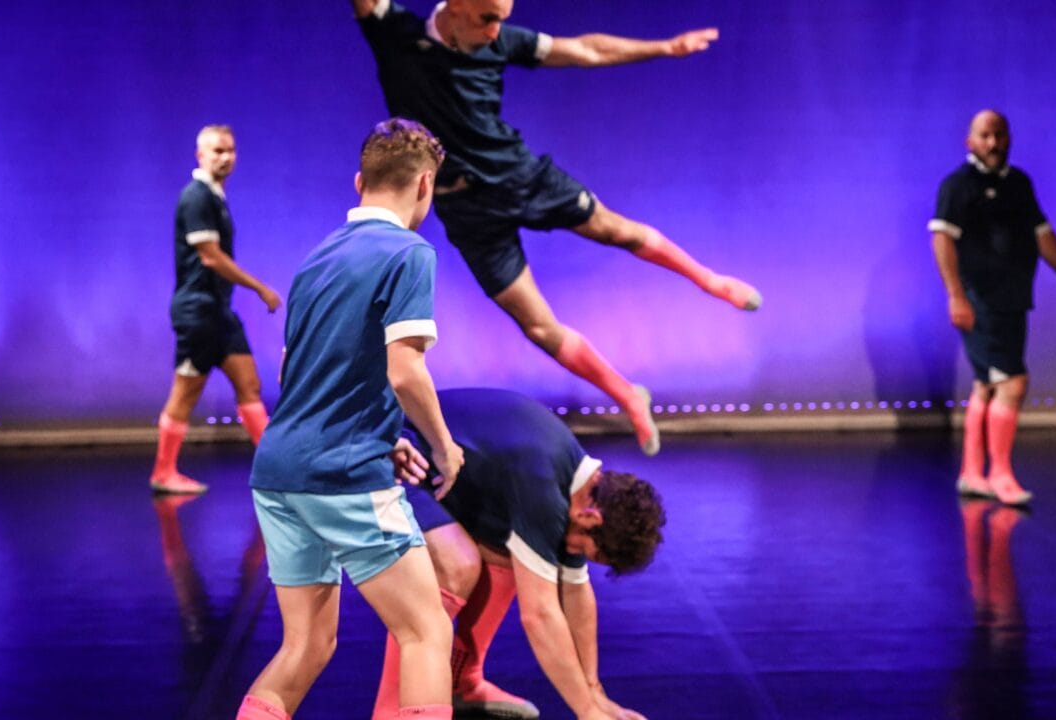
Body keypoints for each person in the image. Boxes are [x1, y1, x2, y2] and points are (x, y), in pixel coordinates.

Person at [351, 0, 763, 457]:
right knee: (539, 326)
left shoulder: (504, 41)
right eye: (487, 18)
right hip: (467, 211)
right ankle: (627, 393)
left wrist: (664, 47)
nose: (496, 30)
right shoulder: (395, 31)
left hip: (521, 177)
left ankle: (710, 280)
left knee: (616, 230)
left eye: (502, 19)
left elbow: (587, 50)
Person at [237, 118, 466, 720]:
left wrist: (379, 430)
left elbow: (295, 370)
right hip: (342, 477)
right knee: (426, 632)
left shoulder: (316, 259)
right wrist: (443, 448)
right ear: (424, 186)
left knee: (306, 644)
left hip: (279, 472)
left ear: (360, 181)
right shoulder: (410, 253)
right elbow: (405, 372)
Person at [371, 387, 666, 720]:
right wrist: (585, 712)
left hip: (436, 471)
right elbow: (539, 615)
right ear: (591, 517)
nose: (569, 553)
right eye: (582, 549)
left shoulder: (578, 484)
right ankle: (394, 710)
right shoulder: (544, 483)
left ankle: (460, 683)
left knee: (511, 557)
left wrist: (595, 694)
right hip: (389, 453)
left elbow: (575, 590)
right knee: (455, 565)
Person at [929, 109, 1056, 505]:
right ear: (970, 142)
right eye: (985, 135)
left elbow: (1041, 232)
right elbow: (942, 240)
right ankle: (1000, 474)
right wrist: (955, 295)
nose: (993, 142)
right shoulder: (958, 186)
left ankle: (971, 472)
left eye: (999, 134)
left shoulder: (1019, 184)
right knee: (1013, 383)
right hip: (979, 300)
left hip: (1013, 298)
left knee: (987, 385)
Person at [150, 125, 284, 495]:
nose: (225, 157)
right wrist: (260, 288)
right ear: (200, 156)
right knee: (186, 393)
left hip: (219, 313)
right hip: (197, 312)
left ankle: (276, 471)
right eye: (217, 151)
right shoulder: (196, 197)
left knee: (250, 385)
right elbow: (210, 256)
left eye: (230, 150)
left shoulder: (215, 197)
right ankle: (163, 472)